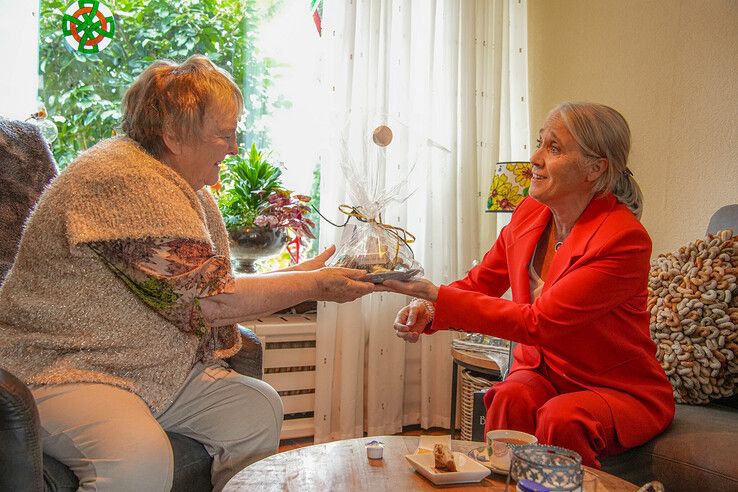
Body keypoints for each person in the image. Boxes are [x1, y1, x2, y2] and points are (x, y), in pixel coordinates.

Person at [0, 55, 375, 491]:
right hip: (65, 367)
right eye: (224, 134)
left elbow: (202, 279)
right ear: (175, 134)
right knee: (139, 459)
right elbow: (210, 300)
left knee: (255, 410)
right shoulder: (119, 178)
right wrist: (317, 284)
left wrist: (300, 273)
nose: (234, 147)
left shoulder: (174, 181)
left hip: (144, 369)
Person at [380, 102, 675, 468]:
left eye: (554, 148)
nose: (535, 157)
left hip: (614, 388)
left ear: (595, 168)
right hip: (543, 373)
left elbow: (540, 322)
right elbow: (481, 282)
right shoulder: (529, 213)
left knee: (562, 417)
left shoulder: (623, 239)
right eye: (539, 142)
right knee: (509, 397)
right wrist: (429, 310)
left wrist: (437, 296)